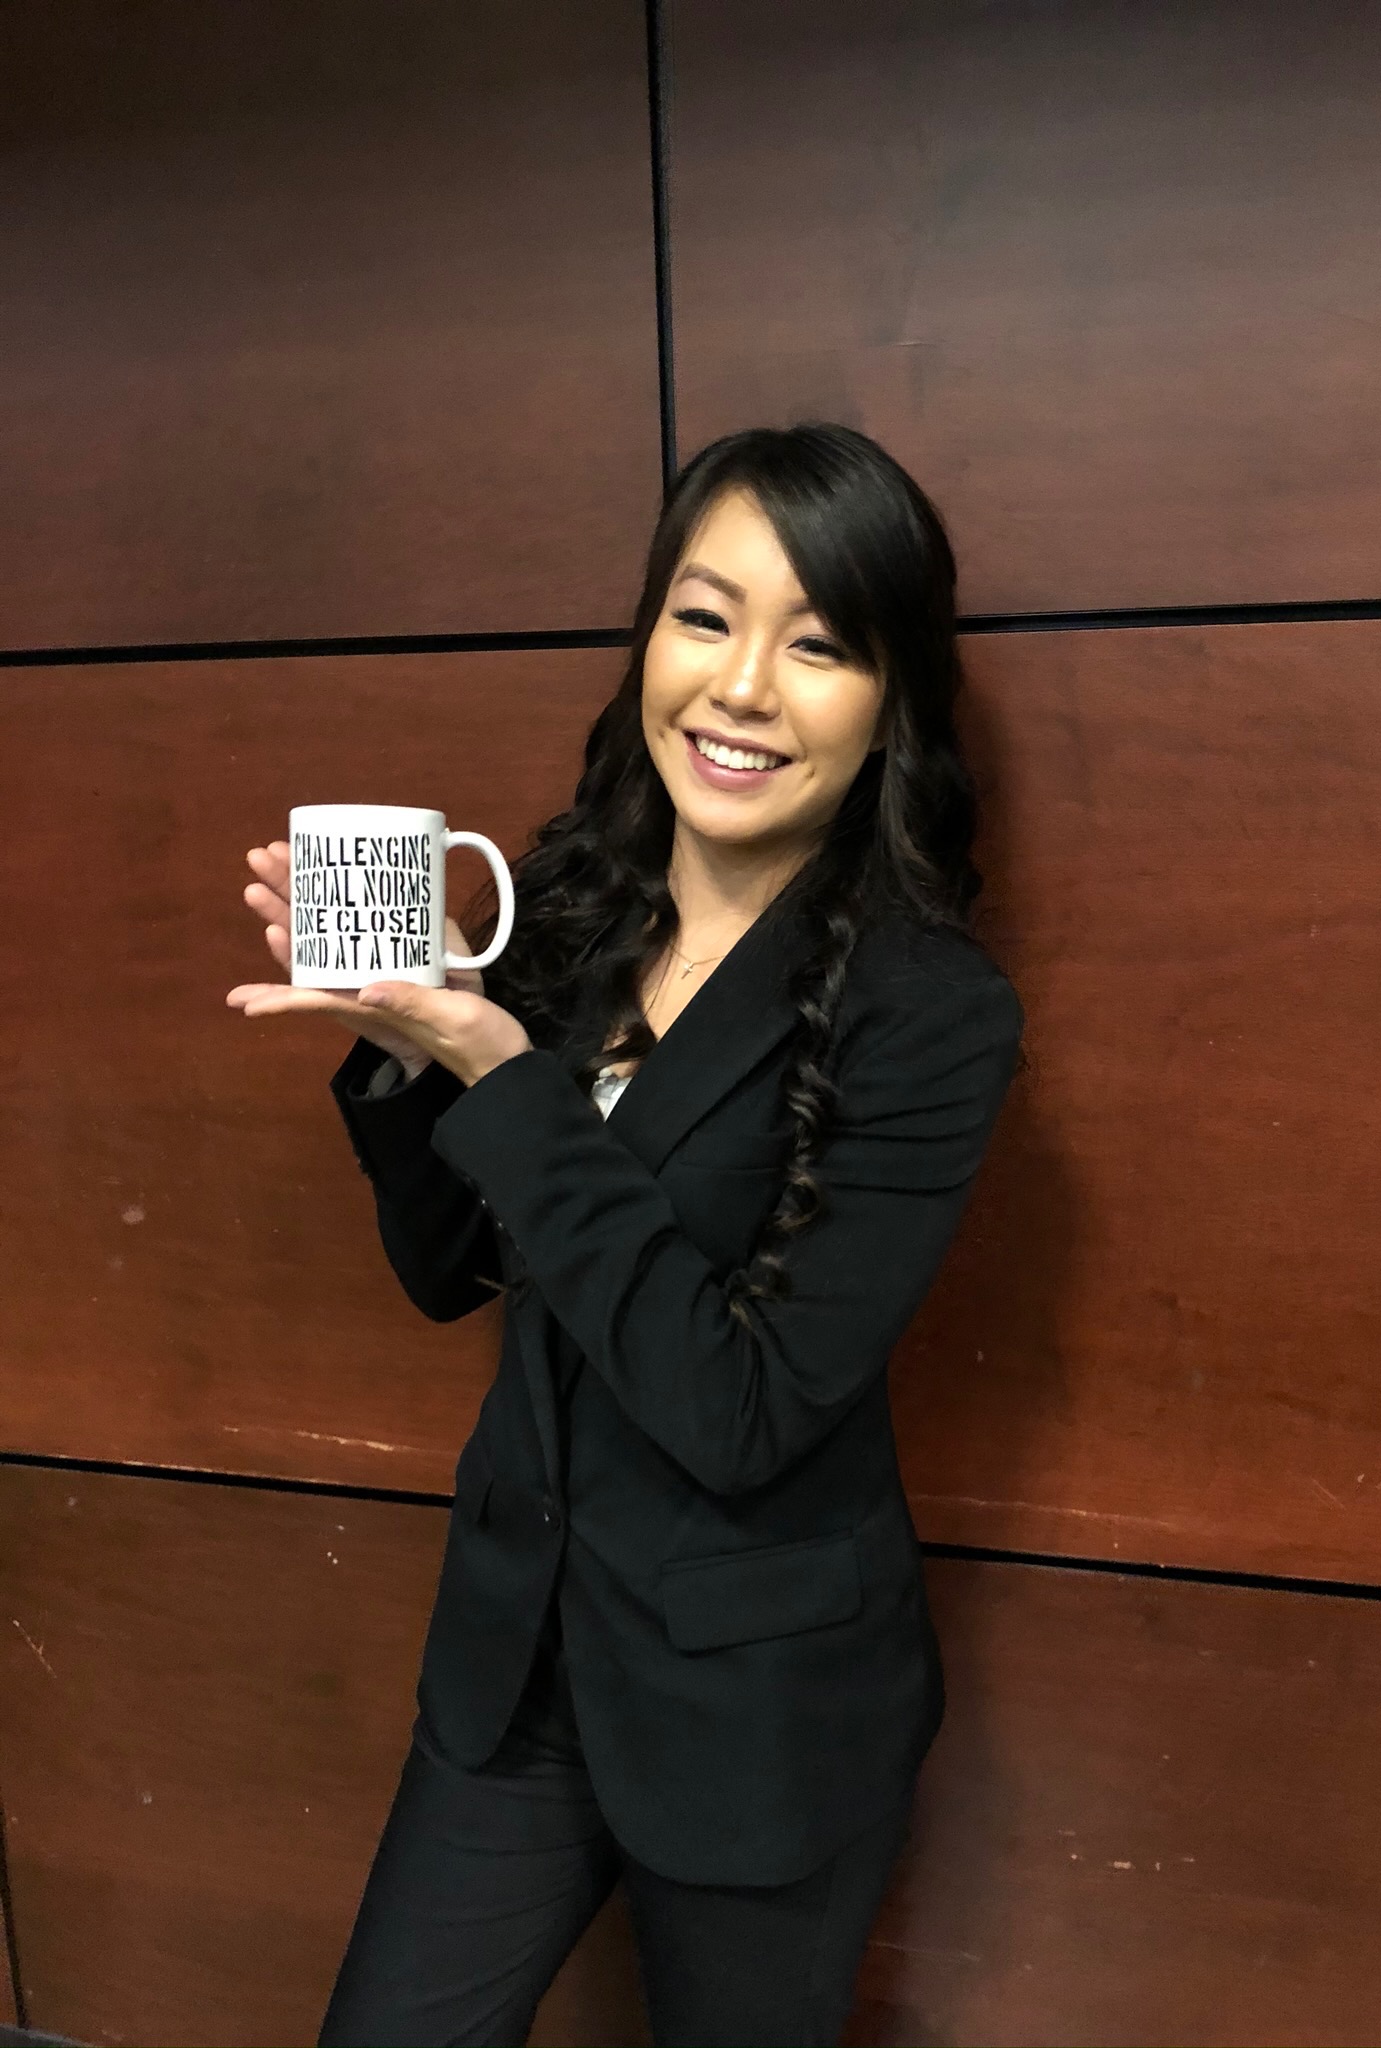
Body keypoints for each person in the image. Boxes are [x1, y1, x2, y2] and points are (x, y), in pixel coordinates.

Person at [228, 423, 1023, 2048]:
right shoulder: (572, 902)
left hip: (758, 1709)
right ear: (647, 634)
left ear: (889, 708)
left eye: (818, 646)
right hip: (516, 1663)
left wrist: (504, 1077)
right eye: (703, 615)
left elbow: (742, 1406)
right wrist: (410, 1035)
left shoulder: (936, 1017)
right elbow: (449, 1273)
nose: (740, 687)